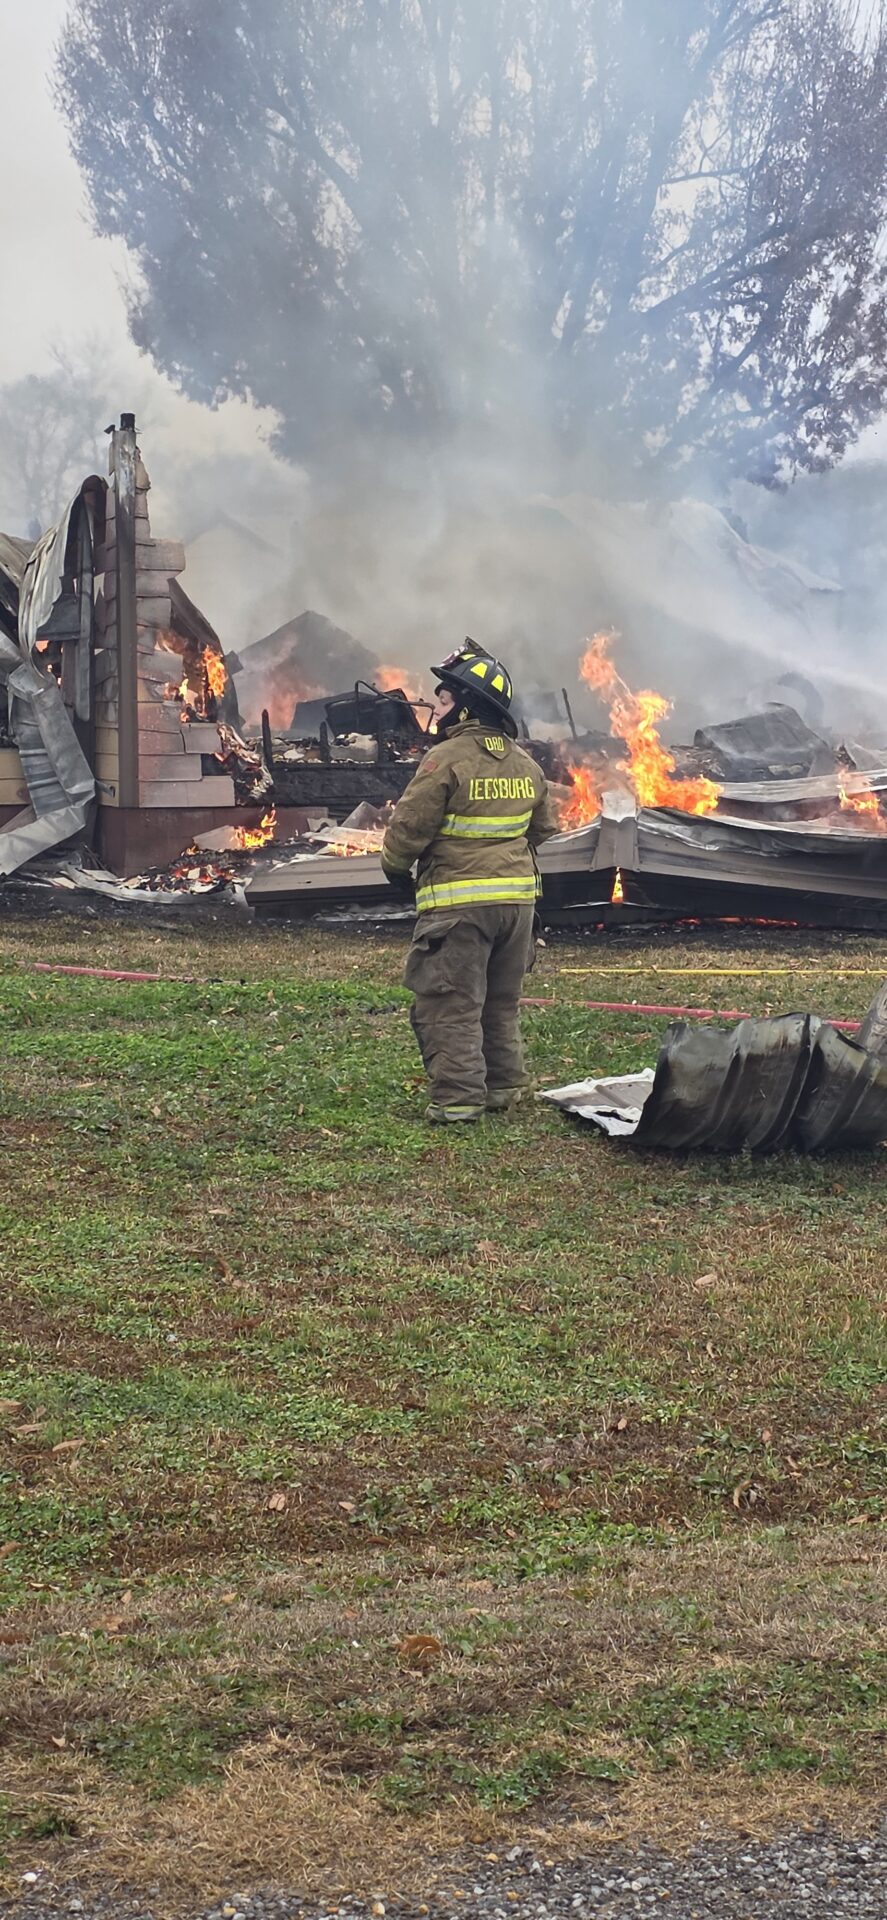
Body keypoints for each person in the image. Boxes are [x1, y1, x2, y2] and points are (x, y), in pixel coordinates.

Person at [381, 641, 561, 1124]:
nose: (436, 708)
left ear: (466, 705)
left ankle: (458, 1100)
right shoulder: (525, 763)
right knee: (500, 1003)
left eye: (442, 699)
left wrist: (395, 866)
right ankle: (506, 1087)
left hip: (459, 908)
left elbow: (409, 827)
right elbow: (544, 827)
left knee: (450, 1005)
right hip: (518, 908)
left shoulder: (446, 759)